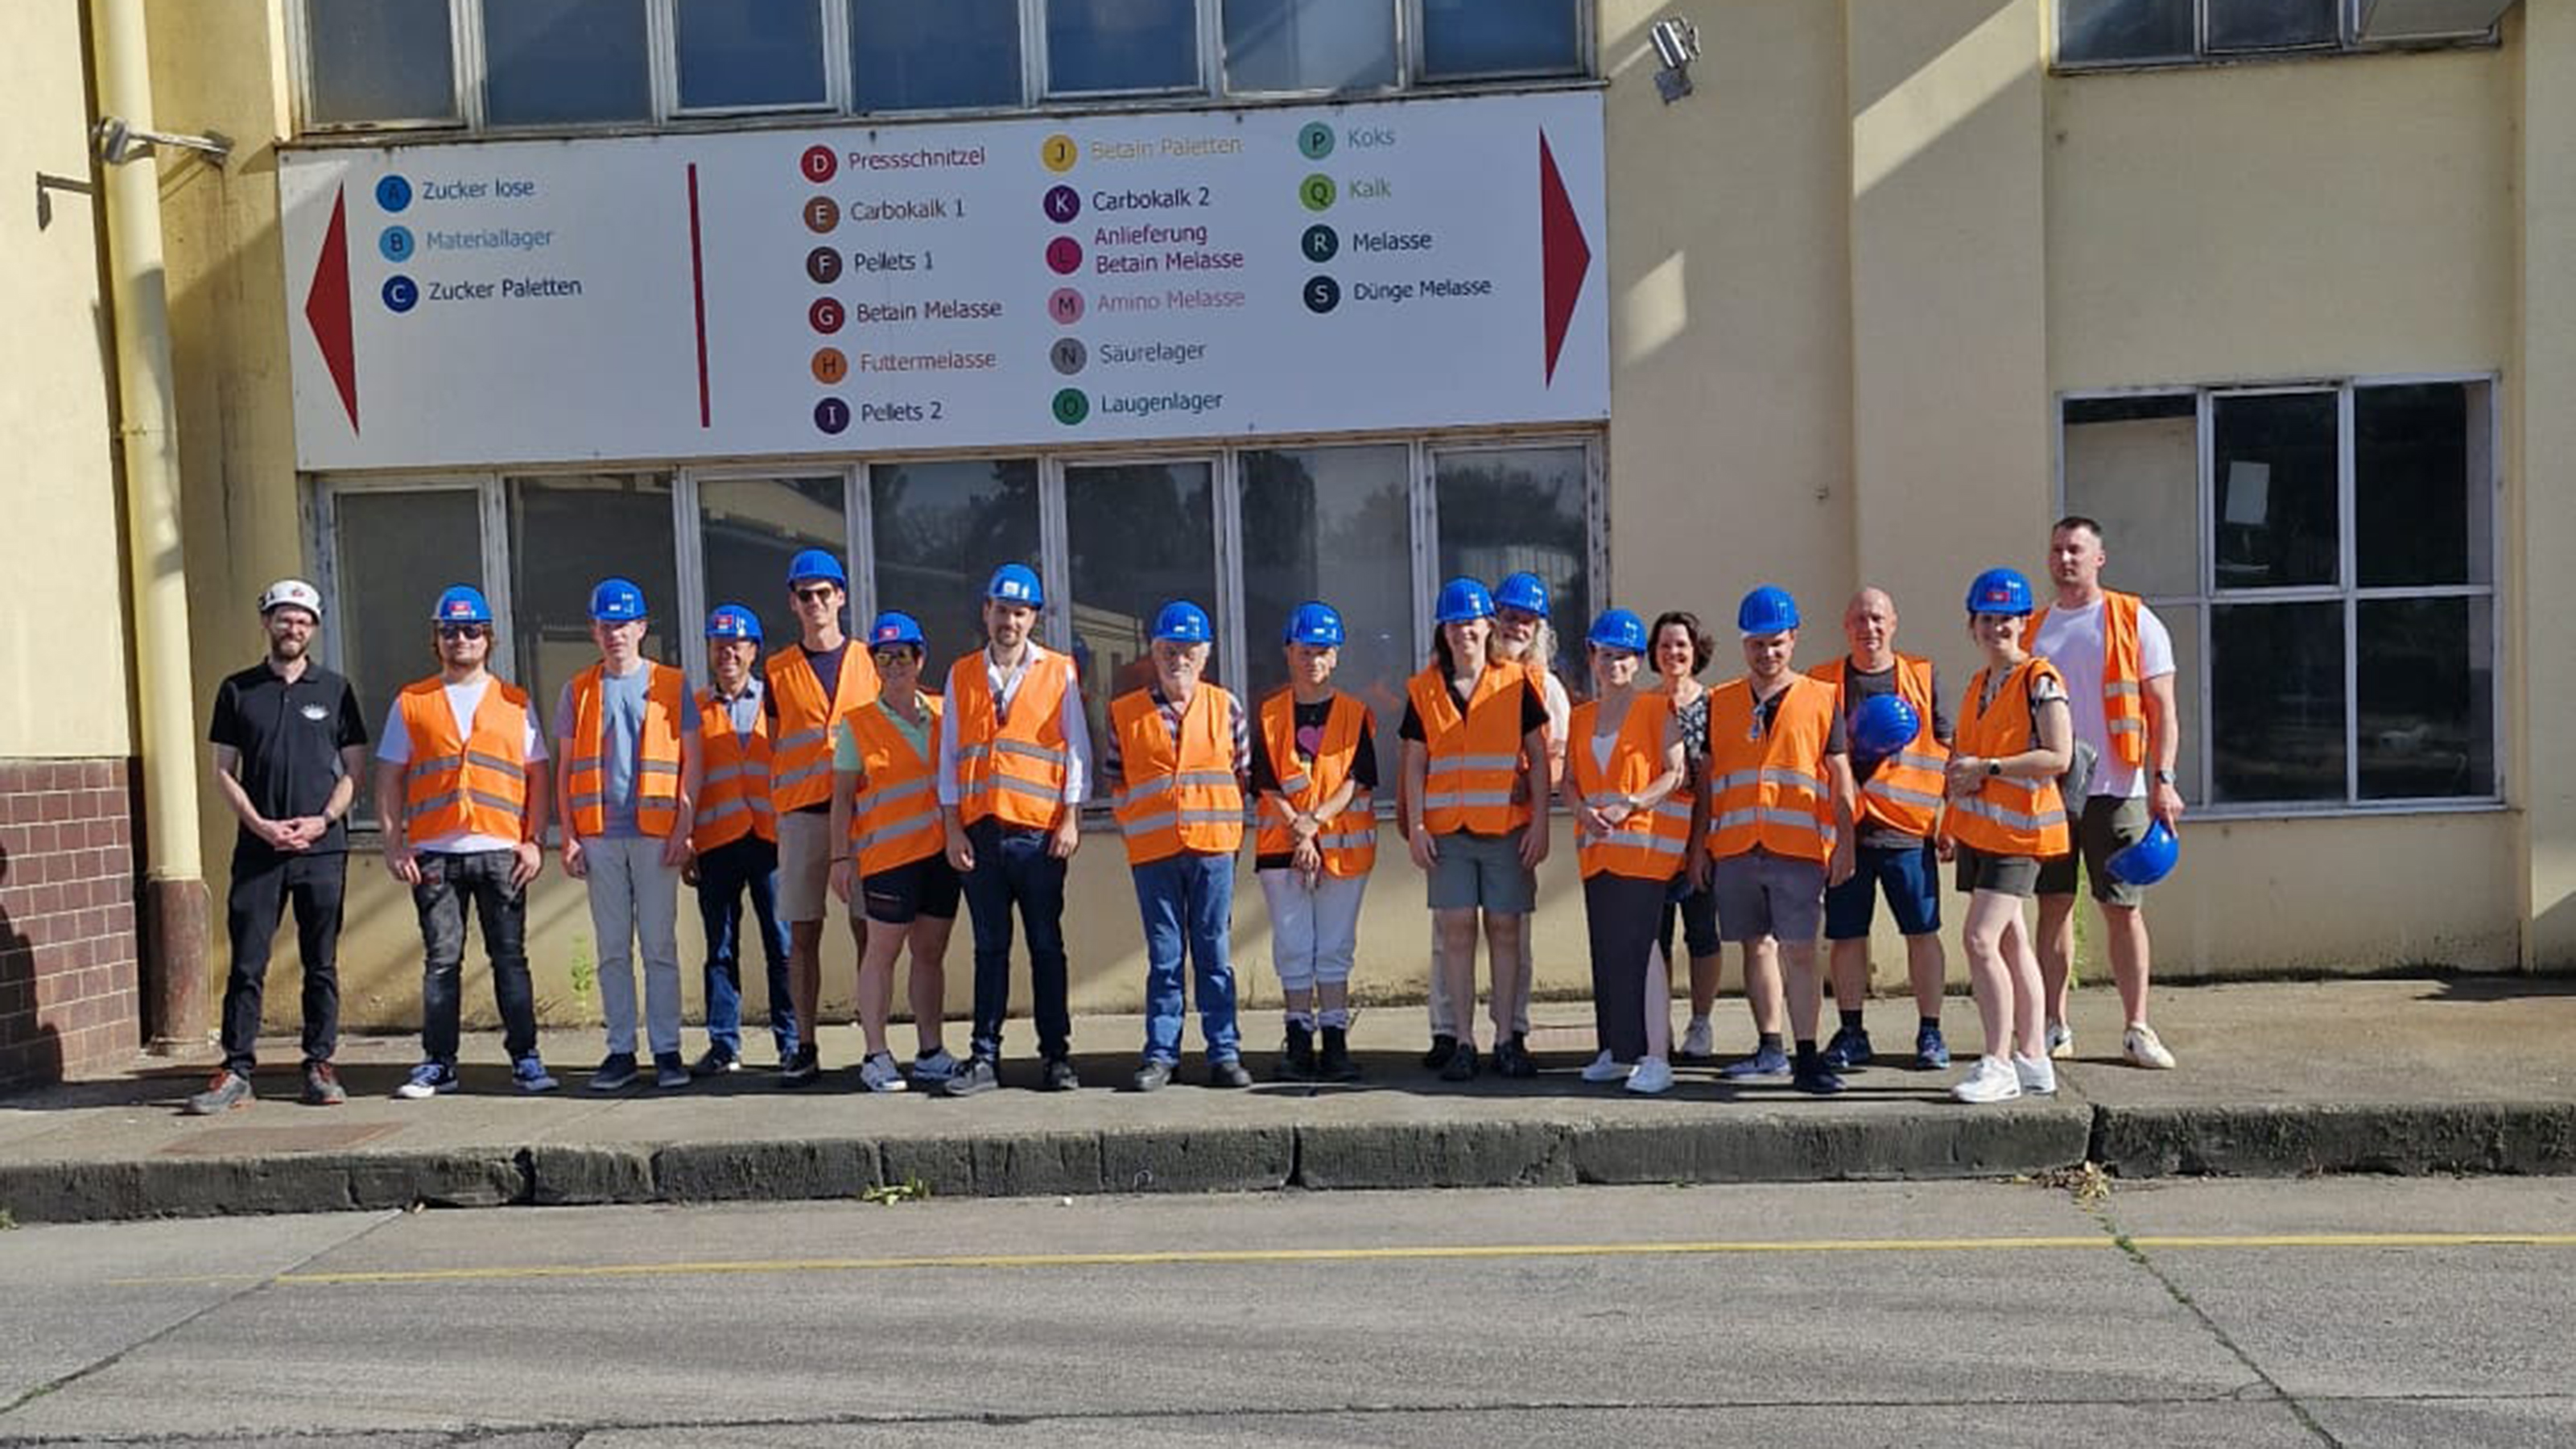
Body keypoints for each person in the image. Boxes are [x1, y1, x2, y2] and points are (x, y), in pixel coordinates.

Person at [188, 579, 370, 1114]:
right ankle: (236, 1069)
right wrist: (260, 825)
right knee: (247, 962)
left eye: (303, 620)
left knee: (321, 963)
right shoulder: (237, 690)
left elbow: (355, 769)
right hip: (259, 850)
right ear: (267, 622)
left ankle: (319, 1065)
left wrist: (322, 821)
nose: (293, 628)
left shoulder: (335, 690)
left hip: (322, 849)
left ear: (314, 629)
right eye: (284, 618)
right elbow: (224, 771)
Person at [374, 585, 555, 1099]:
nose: (461, 639)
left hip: (501, 852)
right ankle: (438, 1064)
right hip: (435, 855)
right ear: (436, 639)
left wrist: (534, 841)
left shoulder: (514, 701)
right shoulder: (412, 702)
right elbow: (388, 777)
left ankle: (526, 1059)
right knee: (441, 962)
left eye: (472, 630)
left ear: (488, 638)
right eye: (450, 631)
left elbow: (538, 775)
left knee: (510, 959)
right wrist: (393, 843)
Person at [2031, 516, 2186, 1069]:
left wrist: (2163, 779)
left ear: (2099, 557)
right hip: (2050, 792)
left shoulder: (2133, 619)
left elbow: (2163, 710)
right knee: (2053, 906)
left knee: (2122, 909)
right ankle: (2054, 1026)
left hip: (2118, 788)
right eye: (2057, 549)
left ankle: (2137, 1027)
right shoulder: (2033, 628)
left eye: (2076, 549)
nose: (2065, 559)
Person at [1690, 585, 1857, 1096]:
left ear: (1794, 639)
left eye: (1777, 643)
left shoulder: (1821, 698)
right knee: (1755, 947)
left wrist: (1846, 841)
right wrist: (1699, 847)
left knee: (1800, 952)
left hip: (1797, 848)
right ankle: (1770, 1047)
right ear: (1744, 644)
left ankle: (1808, 1056)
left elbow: (1840, 776)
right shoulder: (1720, 702)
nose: (1768, 653)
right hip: (1737, 847)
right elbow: (1707, 782)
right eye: (1758, 644)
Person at [938, 563, 1092, 1096]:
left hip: (1039, 835)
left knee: (1046, 945)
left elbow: (1076, 750)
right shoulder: (962, 673)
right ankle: (985, 1056)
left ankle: (1056, 1057)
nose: (1010, 621)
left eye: (1020, 613)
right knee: (990, 948)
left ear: (1034, 618)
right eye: (1002, 610)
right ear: (986, 611)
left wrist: (1071, 818)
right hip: (981, 834)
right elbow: (948, 756)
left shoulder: (1059, 671)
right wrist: (952, 829)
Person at [1402, 577, 1551, 1083]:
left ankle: (1506, 1039)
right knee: (1457, 930)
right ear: (1442, 631)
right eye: (1454, 624)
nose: (1463, 632)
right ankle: (1463, 1041)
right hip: (1448, 834)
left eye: (1471, 623)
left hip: (1506, 830)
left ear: (1488, 626)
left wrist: (1540, 823)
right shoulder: (1424, 689)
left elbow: (1537, 757)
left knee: (1506, 930)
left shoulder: (1516, 681)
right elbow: (1415, 763)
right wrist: (1417, 825)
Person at [556, 577, 702, 1092]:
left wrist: (684, 828)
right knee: (613, 949)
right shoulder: (578, 690)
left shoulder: (671, 684)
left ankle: (667, 1050)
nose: (615, 634)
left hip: (657, 834)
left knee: (659, 946)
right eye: (606, 625)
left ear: (641, 627)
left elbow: (692, 761)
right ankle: (621, 1050)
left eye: (623, 624)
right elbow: (565, 768)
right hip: (599, 834)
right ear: (594, 631)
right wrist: (569, 836)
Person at [1106, 601, 1252, 1091]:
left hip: (1213, 851)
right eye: (1169, 650)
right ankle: (1161, 1054)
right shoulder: (1125, 713)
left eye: (1189, 650)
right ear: (1154, 653)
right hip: (1154, 854)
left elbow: (1241, 775)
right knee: (1165, 957)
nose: (1179, 660)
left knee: (1214, 952)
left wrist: (1224, 832)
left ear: (1205, 655)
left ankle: (1224, 1052)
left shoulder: (1226, 707)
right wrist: (1135, 826)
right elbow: (1116, 782)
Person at [1810, 588, 1955, 1071]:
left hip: (1907, 833)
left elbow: (1949, 751)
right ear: (1845, 626)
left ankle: (1930, 1031)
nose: (1868, 628)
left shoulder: (1922, 675)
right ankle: (1852, 1032)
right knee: (1846, 936)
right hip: (1845, 834)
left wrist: (1950, 820)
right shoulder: (1821, 681)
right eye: (1858, 619)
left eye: (1876, 618)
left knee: (1922, 932)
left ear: (1893, 623)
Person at [1941, 568, 2072, 1104]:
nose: (1997, 628)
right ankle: (2034, 1059)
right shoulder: (1979, 684)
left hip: (2021, 834)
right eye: (1988, 619)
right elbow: (1966, 759)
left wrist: (1989, 767)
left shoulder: (2040, 678)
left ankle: (1997, 1061)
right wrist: (1953, 810)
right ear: (1972, 625)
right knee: (2013, 942)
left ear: (2024, 624)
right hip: (1983, 832)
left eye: (2007, 619)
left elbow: (2058, 755)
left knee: (1980, 939)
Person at [828, 611, 961, 1093]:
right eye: (883, 659)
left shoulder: (945, 715)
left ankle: (930, 1051)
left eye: (901, 656)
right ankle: (876, 1055)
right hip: (887, 859)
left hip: (939, 858)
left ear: (919, 659)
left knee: (929, 953)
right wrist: (839, 859)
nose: (893, 667)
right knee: (880, 954)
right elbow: (842, 798)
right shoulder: (858, 724)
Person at [1563, 609, 1690, 1095]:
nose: (1614, 664)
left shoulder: (1656, 709)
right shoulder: (1581, 718)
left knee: (1643, 946)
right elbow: (1569, 782)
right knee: (1608, 947)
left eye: (1624, 656)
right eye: (1606, 654)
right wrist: (1582, 811)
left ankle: (1656, 1055)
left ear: (1638, 662)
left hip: (1643, 849)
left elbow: (1674, 772)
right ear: (1592, 658)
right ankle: (1617, 1050)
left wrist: (1630, 804)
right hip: (1597, 849)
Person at [767, 549, 880, 1087]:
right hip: (803, 814)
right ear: (793, 602)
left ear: (841, 597)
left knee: (869, 931)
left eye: (823, 593)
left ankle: (874, 1044)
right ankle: (804, 1045)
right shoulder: (777, 669)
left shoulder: (870, 661)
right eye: (804, 595)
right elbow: (776, 740)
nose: (815, 603)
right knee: (802, 933)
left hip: (863, 815)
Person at [1252, 601, 1377, 1083]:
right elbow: (1265, 783)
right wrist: (1299, 829)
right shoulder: (1270, 714)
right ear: (1289, 653)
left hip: (1341, 847)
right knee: (1293, 945)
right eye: (1305, 651)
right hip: (1281, 848)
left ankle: (1336, 1041)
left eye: (1322, 652)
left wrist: (1314, 824)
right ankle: (1299, 1039)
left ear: (1336, 656)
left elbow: (1357, 780)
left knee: (1335, 946)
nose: (1313, 661)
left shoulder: (1355, 714)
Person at [687, 603, 796, 1075]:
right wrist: (687, 839)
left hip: (770, 841)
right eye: (719, 645)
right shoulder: (694, 708)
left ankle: (792, 1041)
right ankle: (723, 1044)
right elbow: (684, 778)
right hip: (716, 842)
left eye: (737, 645)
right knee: (720, 949)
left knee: (782, 945)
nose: (728, 653)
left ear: (754, 650)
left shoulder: (777, 702)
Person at [1648, 610, 1726, 1061]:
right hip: (1653, 844)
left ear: (1696, 651)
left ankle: (1701, 1022)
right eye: (1664, 645)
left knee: (1701, 934)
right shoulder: (1644, 705)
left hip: (1702, 839)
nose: (1673, 653)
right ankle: (1658, 1023)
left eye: (1681, 644)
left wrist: (1699, 848)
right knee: (1655, 939)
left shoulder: (1715, 706)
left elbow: (1711, 782)